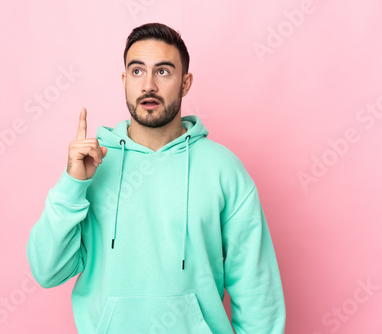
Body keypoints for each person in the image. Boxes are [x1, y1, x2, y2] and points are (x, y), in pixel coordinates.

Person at [26, 22, 286, 334]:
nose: (148, 84)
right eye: (137, 71)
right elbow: (46, 270)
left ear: (185, 83)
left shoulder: (224, 169)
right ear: (124, 80)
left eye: (163, 71)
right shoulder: (92, 165)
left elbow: (257, 289)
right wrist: (72, 184)